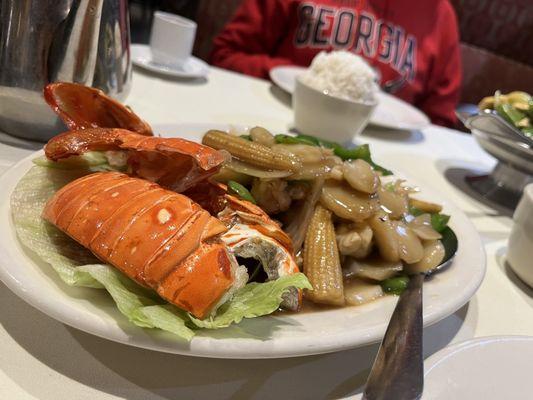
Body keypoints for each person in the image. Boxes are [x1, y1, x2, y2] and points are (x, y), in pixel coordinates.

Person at [211, 0, 462, 127]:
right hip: (272, 120)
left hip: (385, 161)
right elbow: (226, 54)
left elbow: (439, 122)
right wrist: (295, 78)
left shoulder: (441, 15)